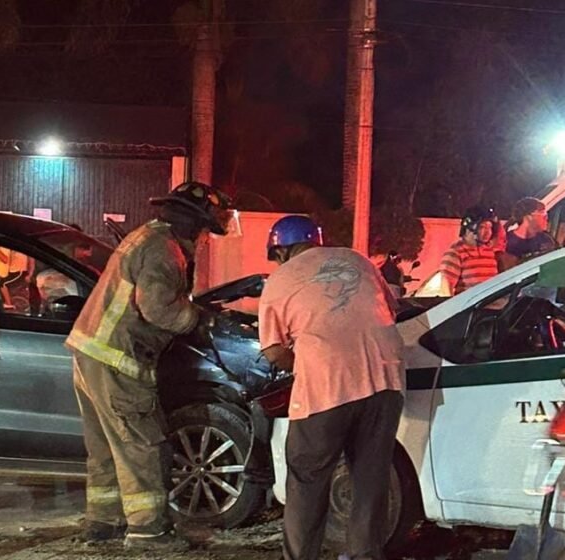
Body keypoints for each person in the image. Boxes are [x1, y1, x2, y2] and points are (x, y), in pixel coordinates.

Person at [65, 181, 228, 550]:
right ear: (194, 224)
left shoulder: (146, 237)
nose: (204, 239)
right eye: (205, 231)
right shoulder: (165, 250)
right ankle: (149, 532)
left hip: (92, 354)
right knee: (143, 444)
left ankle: (104, 524)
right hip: (119, 360)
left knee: (108, 448)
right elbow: (158, 308)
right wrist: (198, 320)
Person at [258, 215, 405, 560]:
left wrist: (304, 364)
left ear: (282, 249)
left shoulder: (280, 279)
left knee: (307, 480)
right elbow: (389, 310)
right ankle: (366, 555)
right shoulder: (358, 260)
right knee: (371, 479)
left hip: (328, 387)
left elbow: (274, 350)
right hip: (386, 382)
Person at [438, 206, 499, 296]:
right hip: (469, 308)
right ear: (469, 227)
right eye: (482, 227)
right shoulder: (455, 253)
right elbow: (446, 290)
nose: (488, 232)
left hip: (490, 307)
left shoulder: (489, 252)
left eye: (490, 227)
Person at [500, 197, 557, 270]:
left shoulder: (547, 239)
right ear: (528, 217)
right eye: (542, 213)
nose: (546, 217)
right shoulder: (507, 242)